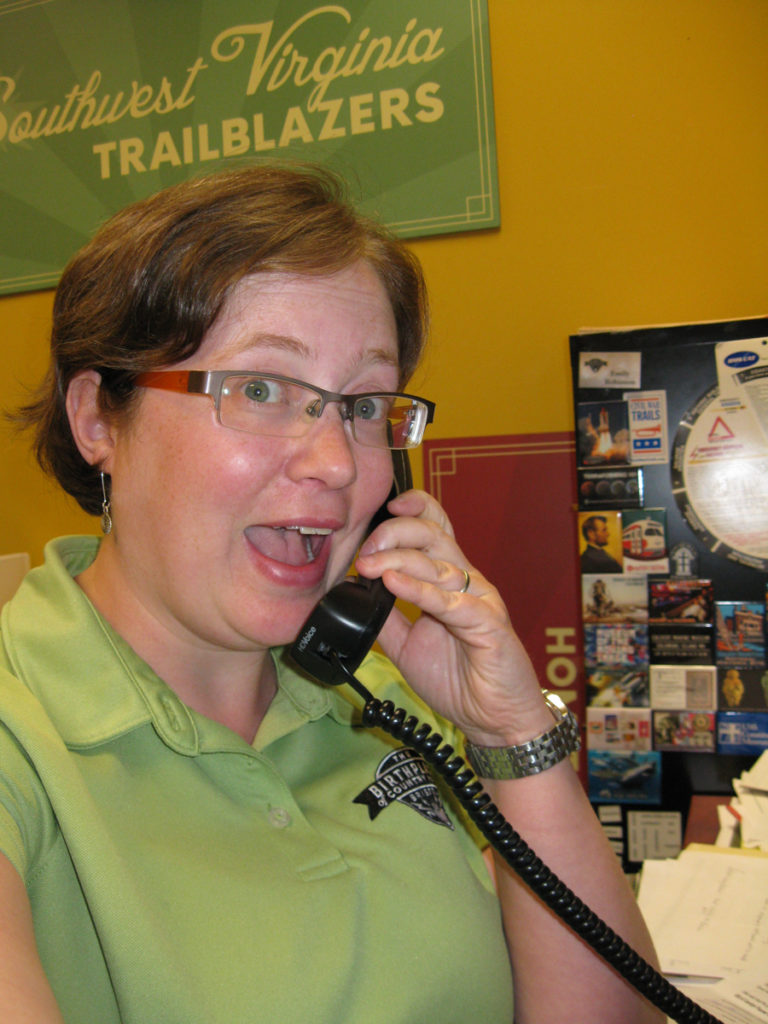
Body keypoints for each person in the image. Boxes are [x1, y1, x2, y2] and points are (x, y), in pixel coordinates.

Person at [0, 162, 663, 1023]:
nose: (339, 463)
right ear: (99, 422)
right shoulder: (24, 733)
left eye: (364, 405)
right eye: (263, 389)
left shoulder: (379, 692)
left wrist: (511, 737)